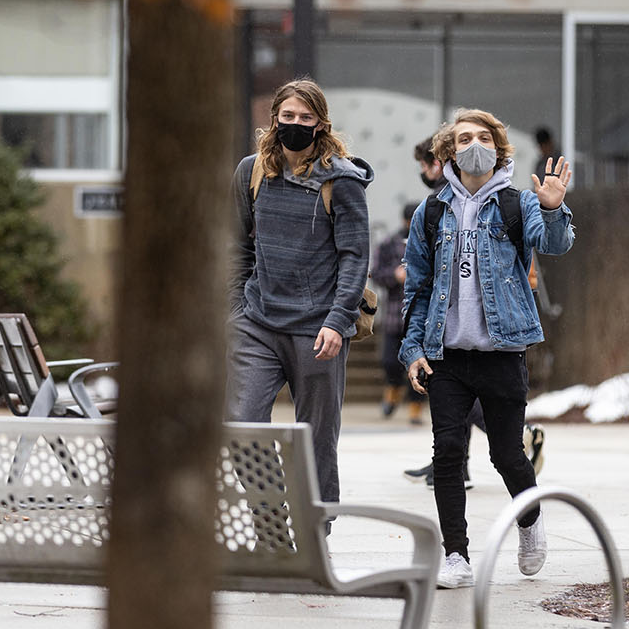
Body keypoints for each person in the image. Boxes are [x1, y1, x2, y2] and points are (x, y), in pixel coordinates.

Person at [400, 108, 574, 589]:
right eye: (463, 139)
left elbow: (554, 244)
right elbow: (416, 286)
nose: (473, 145)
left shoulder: (520, 204)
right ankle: (456, 554)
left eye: (482, 137)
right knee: (448, 453)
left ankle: (530, 520)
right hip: (446, 356)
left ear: (497, 148)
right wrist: (412, 347)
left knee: (506, 454)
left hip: (502, 350)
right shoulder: (431, 212)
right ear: (448, 152)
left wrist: (555, 207)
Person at [228, 78, 374, 514]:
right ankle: (271, 526)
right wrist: (235, 312)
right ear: (273, 120)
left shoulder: (342, 182)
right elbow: (238, 246)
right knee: (242, 426)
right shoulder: (251, 171)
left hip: (318, 330)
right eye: (287, 117)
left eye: (305, 118)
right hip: (258, 323)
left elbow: (354, 257)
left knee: (316, 437)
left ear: (321, 124)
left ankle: (316, 532)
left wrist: (336, 320)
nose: (295, 125)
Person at [372, 203, 422, 423]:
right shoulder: (389, 244)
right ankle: (393, 389)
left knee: (420, 364)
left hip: (420, 316)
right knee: (390, 361)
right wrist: (395, 276)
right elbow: (376, 274)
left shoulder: (426, 241)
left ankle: (415, 408)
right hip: (394, 314)